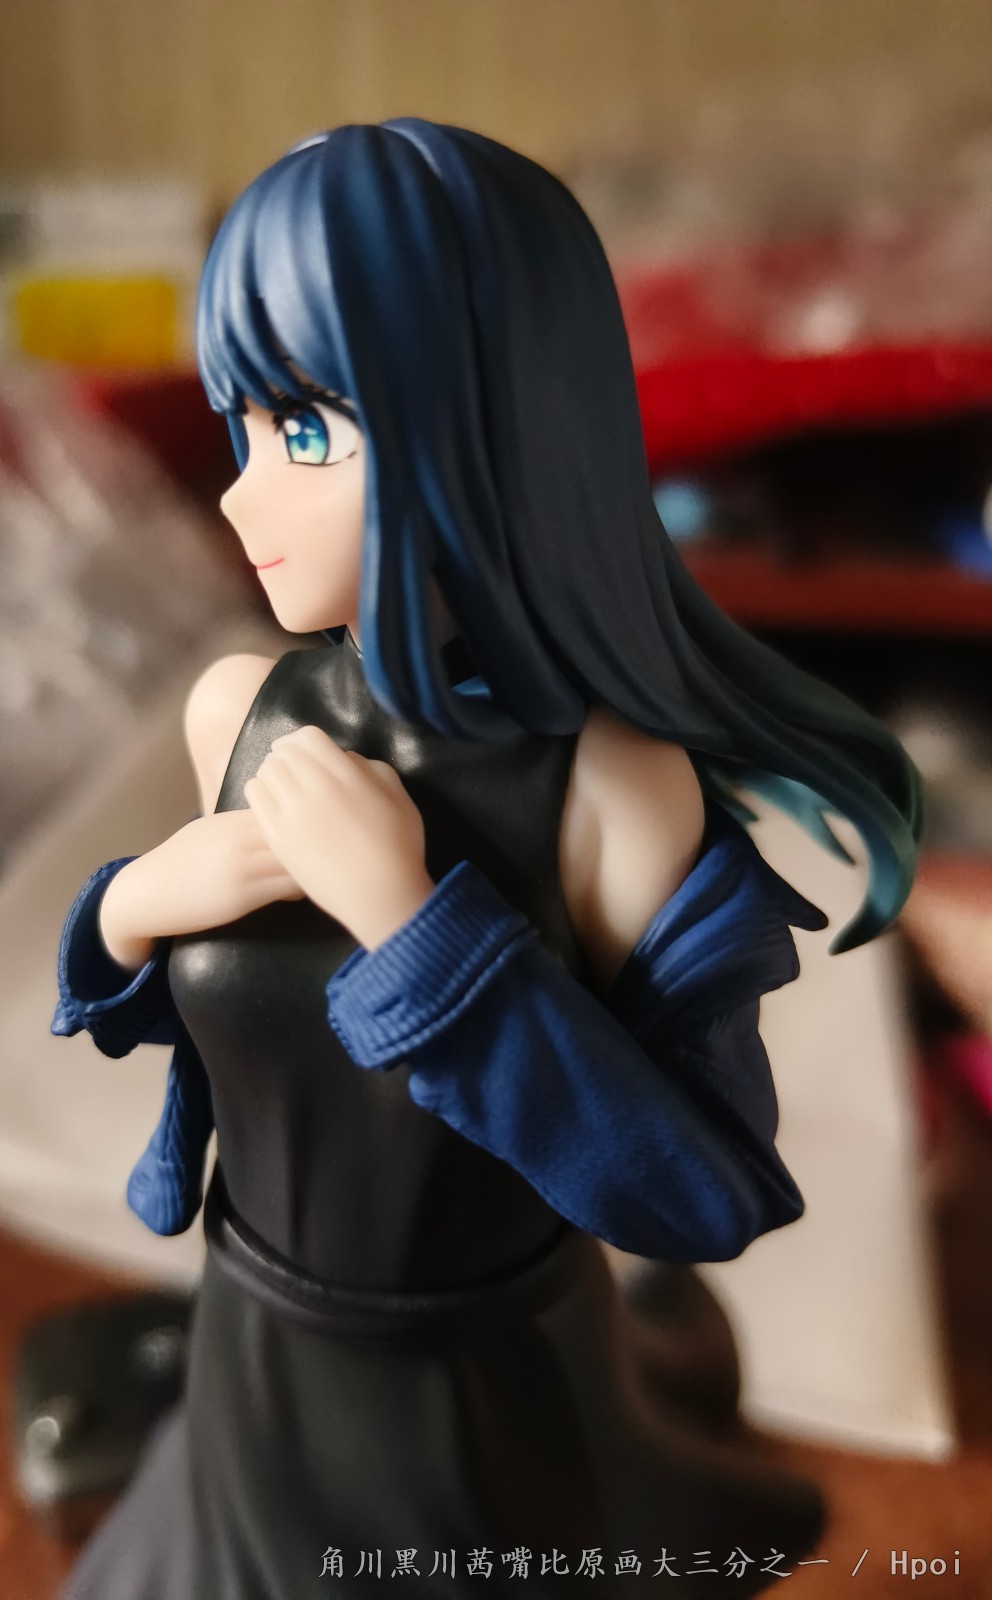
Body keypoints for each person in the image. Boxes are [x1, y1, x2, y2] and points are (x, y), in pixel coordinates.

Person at [52, 120, 920, 1598]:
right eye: (239, 432)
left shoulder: (610, 788)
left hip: (480, 1402)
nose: (239, 497)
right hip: (253, 1360)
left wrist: (416, 930)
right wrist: (133, 908)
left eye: (306, 435)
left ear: (494, 429)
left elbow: (700, 1195)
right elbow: (192, 1020)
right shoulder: (239, 713)